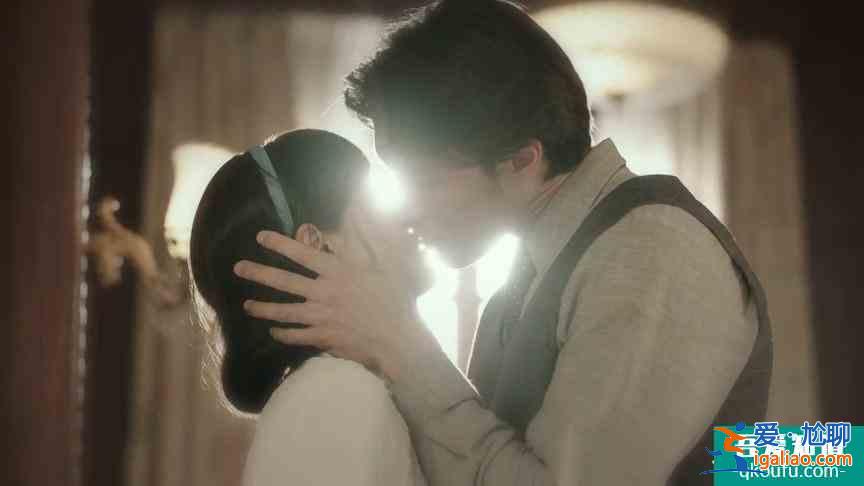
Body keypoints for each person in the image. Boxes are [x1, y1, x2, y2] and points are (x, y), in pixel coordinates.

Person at [233, 1, 773, 484]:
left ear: (521, 160)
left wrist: (401, 343)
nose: (408, 210)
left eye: (426, 182)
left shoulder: (652, 250)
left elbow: (781, 460)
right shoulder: (524, 284)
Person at [190, 129, 430, 486]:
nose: (411, 215)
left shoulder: (342, 391)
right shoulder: (337, 397)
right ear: (315, 245)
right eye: (377, 201)